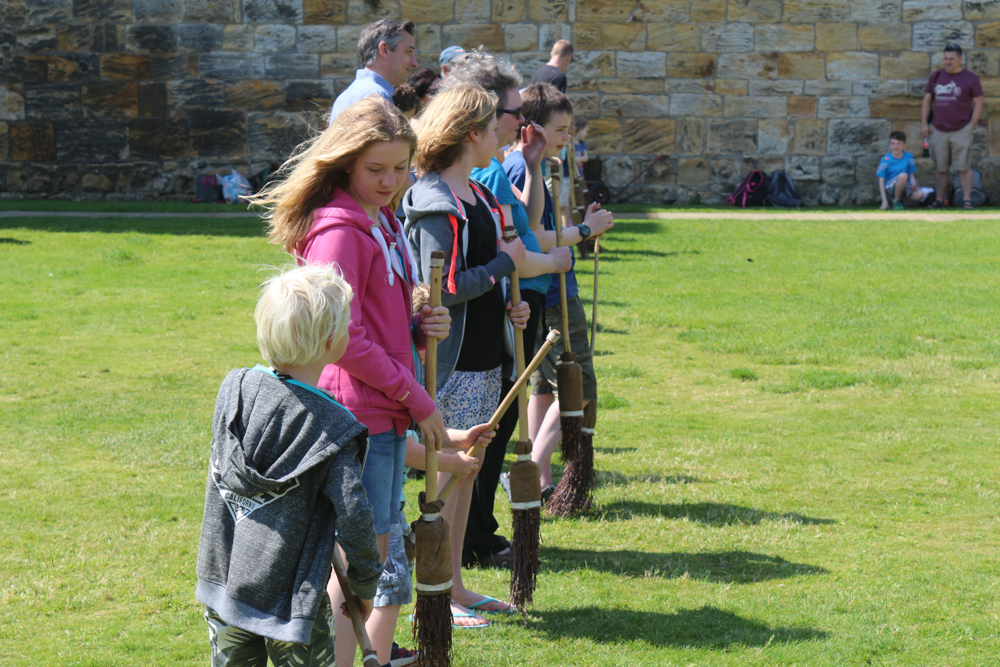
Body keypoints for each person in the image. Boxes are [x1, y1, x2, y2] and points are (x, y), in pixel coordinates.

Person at [250, 95, 454, 661]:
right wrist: (417, 397)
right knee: (362, 554)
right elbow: (341, 339)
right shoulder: (338, 231)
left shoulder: (382, 218)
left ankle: (365, 656)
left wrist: (418, 325)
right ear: (344, 163)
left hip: (382, 406)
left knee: (378, 546)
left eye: (399, 167)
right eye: (375, 169)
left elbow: (376, 323)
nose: (390, 180)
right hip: (356, 414)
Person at [195, 263, 382, 666]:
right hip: (291, 603)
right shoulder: (335, 429)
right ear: (333, 341)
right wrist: (365, 583)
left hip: (223, 582)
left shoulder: (234, 388)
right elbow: (355, 515)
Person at [404, 83, 531, 621]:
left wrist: (510, 307)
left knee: (468, 468)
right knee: (446, 473)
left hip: (483, 354)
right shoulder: (436, 201)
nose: (507, 131)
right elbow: (444, 289)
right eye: (496, 123)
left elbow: (479, 276)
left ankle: (453, 585)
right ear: (471, 134)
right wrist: (506, 266)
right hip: (450, 362)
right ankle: (432, 592)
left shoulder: (476, 193)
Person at [443, 48, 573, 569]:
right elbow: (453, 281)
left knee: (483, 450)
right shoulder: (449, 189)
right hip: (459, 356)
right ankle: (458, 558)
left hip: (494, 337)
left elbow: (518, 232)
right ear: (480, 117)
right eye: (513, 113)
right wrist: (509, 267)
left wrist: (506, 302)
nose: (522, 123)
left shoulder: (484, 181)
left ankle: (473, 540)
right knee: (464, 459)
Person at [503, 83, 614, 497]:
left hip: (549, 288)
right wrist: (583, 231)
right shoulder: (520, 168)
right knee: (579, 387)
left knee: (544, 387)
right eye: (560, 128)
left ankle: (544, 479)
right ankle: (530, 469)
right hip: (550, 294)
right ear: (530, 128)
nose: (567, 137)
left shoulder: (530, 165)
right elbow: (532, 237)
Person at [921, 43, 983, 209]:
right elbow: (927, 100)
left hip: (962, 128)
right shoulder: (936, 76)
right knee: (940, 167)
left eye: (951, 59)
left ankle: (967, 200)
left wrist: (971, 125)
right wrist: (924, 123)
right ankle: (940, 200)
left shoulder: (971, 78)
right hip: (938, 129)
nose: (947, 62)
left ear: (960, 59)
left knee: (964, 167)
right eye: (946, 58)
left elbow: (978, 103)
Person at [329, 19, 419, 123]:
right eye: (409, 52)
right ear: (384, 50)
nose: (415, 63)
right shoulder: (378, 97)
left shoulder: (344, 97)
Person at [878, 131, 931, 210]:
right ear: (889, 145)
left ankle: (900, 201)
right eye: (893, 143)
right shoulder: (886, 159)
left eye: (899, 143)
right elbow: (881, 180)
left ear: (904, 145)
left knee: (920, 194)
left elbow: (911, 175)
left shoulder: (909, 156)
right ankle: (895, 200)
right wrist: (884, 201)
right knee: (903, 175)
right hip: (890, 187)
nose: (896, 146)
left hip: (905, 185)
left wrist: (914, 185)